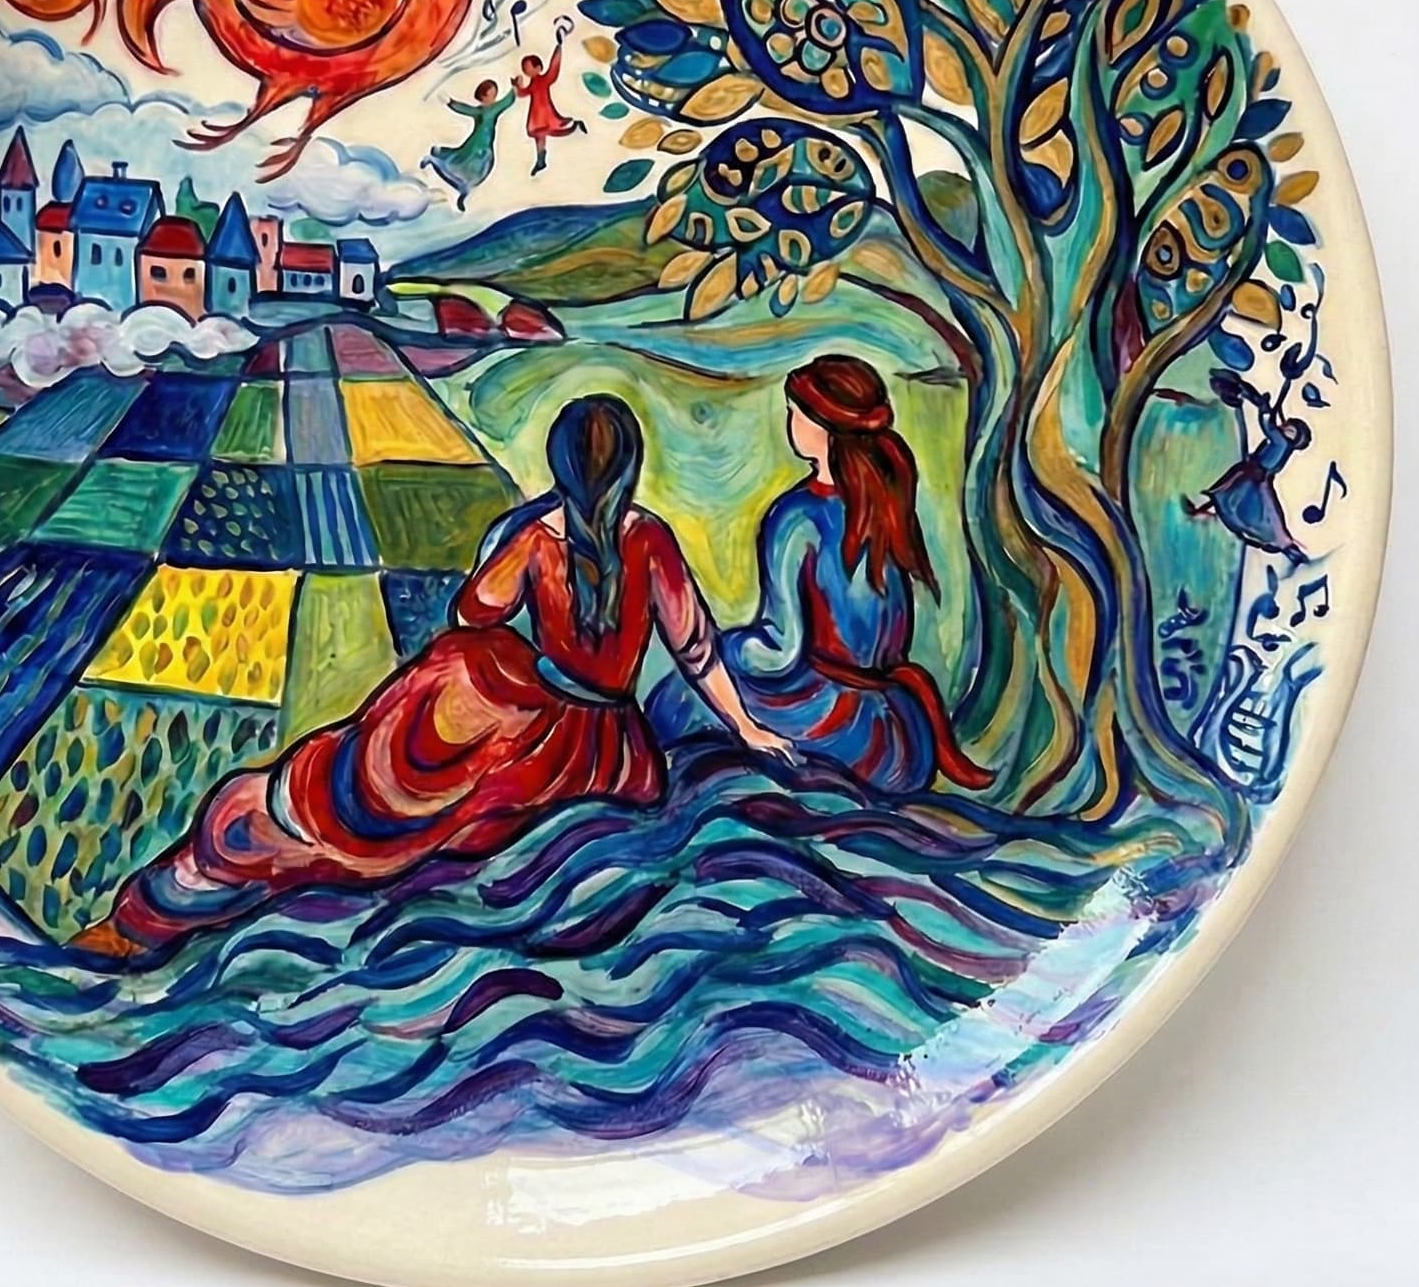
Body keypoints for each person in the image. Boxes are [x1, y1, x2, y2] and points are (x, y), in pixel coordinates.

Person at [79, 395, 790, 959]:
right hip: (614, 755)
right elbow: (697, 647)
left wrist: (518, 541)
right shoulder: (651, 538)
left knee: (451, 681)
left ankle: (197, 884)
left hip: (548, 741)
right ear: (630, 467)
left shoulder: (539, 538)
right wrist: (748, 729)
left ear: (561, 466)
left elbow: (473, 608)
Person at [650, 355, 990, 795]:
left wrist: (727, 647)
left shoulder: (797, 517)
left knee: (685, 692)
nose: (789, 421)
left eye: (794, 411)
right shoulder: (882, 502)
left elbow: (780, 652)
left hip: (837, 725)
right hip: (901, 738)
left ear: (821, 424)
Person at [1186, 369, 1309, 563]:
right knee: (1226, 494)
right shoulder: (1282, 443)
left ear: (1293, 439)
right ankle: (1200, 511)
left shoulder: (1282, 442)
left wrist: (1263, 408)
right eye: (1288, 426)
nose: (1286, 429)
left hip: (1254, 479)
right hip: (1252, 475)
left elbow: (1268, 427)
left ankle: (1201, 512)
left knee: (1233, 498)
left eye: (1291, 431)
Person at [425, 79, 516, 210]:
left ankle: (464, 192)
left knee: (480, 170)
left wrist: (514, 87)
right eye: (491, 95)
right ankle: (434, 160)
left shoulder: (493, 108)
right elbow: (466, 109)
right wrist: (450, 102)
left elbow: (506, 102)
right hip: (476, 144)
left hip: (485, 146)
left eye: (495, 95)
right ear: (483, 97)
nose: (494, 98)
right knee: (462, 162)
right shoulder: (481, 111)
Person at [513, 30, 584, 172]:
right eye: (524, 69)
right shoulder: (533, 84)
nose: (526, 71)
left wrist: (559, 48)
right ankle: (541, 160)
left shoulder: (543, 80)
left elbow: (553, 69)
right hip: (536, 116)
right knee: (540, 136)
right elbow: (523, 93)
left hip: (544, 114)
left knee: (551, 131)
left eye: (528, 67)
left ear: (538, 68)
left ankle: (575, 126)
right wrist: (517, 86)